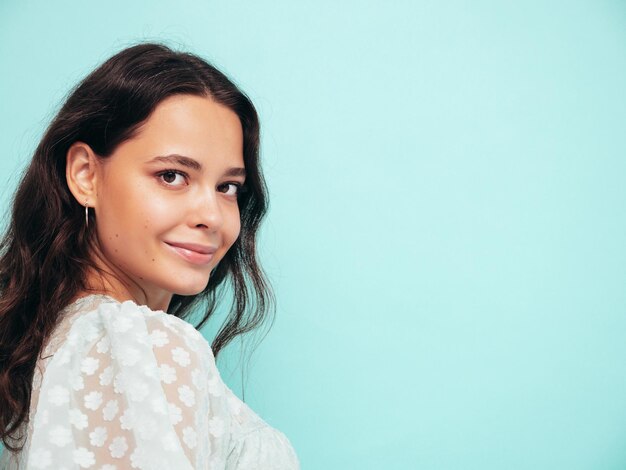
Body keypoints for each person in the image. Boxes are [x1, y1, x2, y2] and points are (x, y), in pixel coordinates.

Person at [0, 42, 300, 469]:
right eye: (172, 175)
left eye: (228, 187)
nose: (212, 216)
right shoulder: (136, 343)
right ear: (86, 175)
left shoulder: (65, 343)